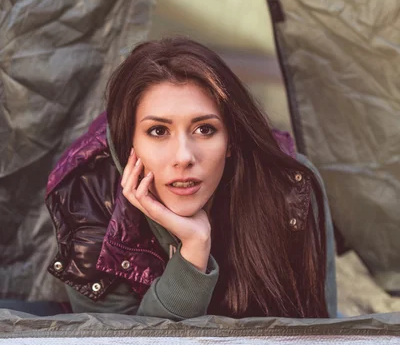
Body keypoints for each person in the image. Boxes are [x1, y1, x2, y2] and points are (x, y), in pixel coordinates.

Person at [45, 37, 337, 319]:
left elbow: (315, 330)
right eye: (158, 131)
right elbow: (118, 343)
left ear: (231, 140)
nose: (183, 157)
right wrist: (193, 252)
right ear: (128, 144)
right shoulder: (90, 193)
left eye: (204, 129)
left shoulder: (289, 186)